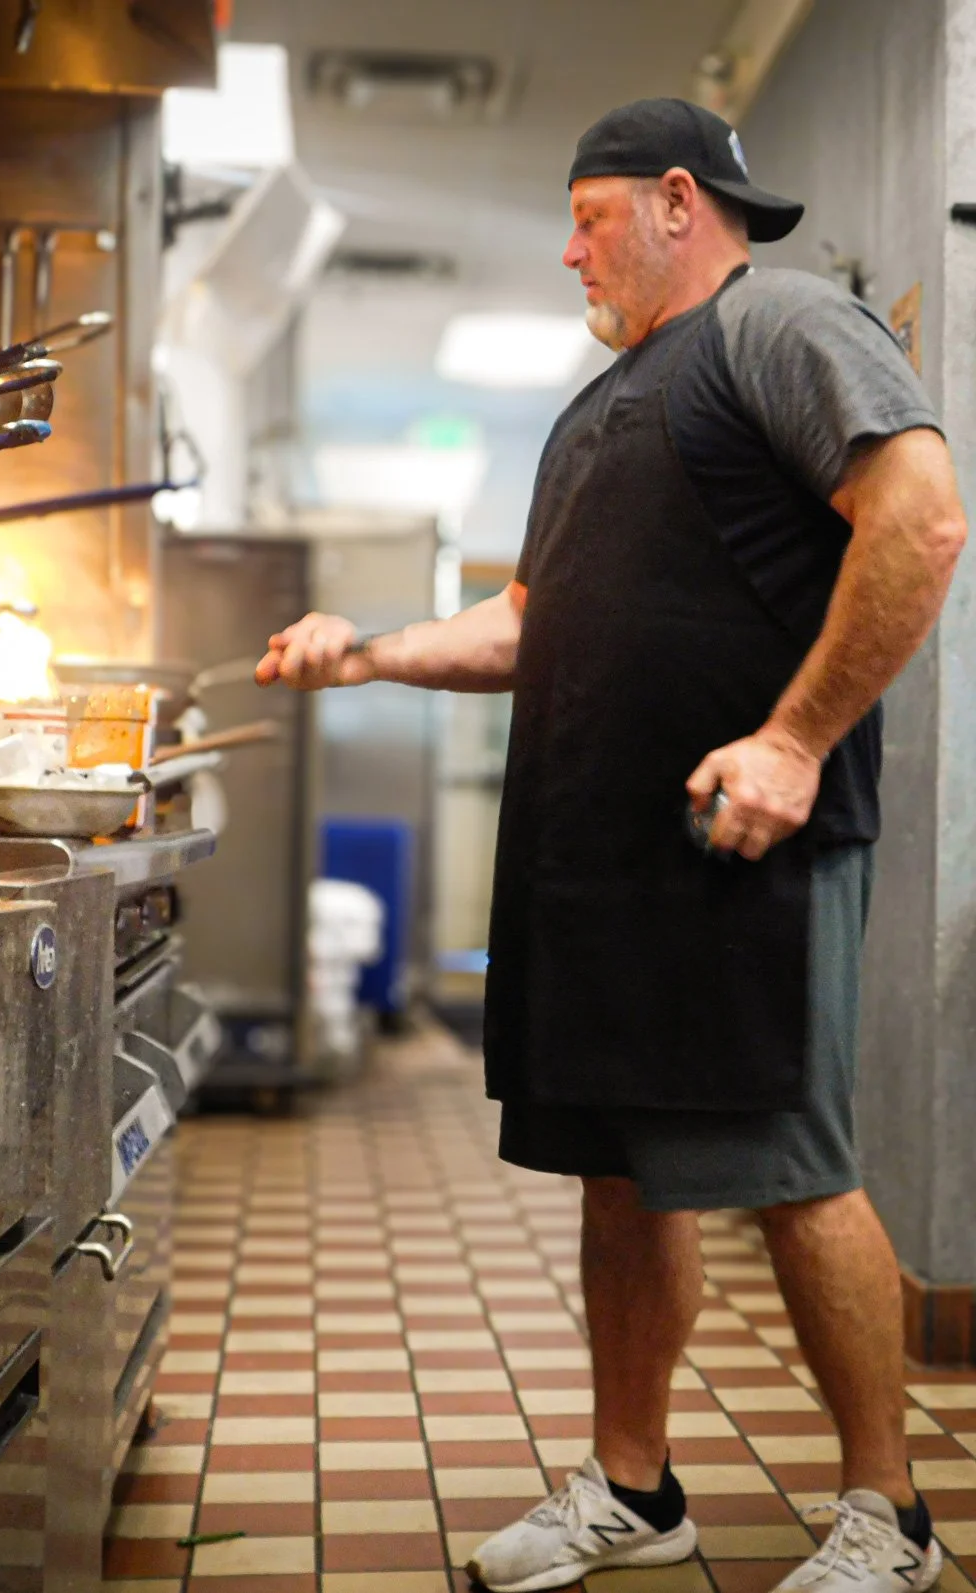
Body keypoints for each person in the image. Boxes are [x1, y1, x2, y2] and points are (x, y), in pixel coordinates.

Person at [255, 97, 967, 1593]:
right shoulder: (597, 409)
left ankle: (885, 1518)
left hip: (745, 845)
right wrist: (370, 651)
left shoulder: (782, 327)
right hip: (599, 859)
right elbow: (530, 621)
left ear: (673, 200)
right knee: (623, 1175)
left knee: (793, 1168)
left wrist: (792, 740)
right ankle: (634, 1488)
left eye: (587, 217)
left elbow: (922, 516)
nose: (568, 248)